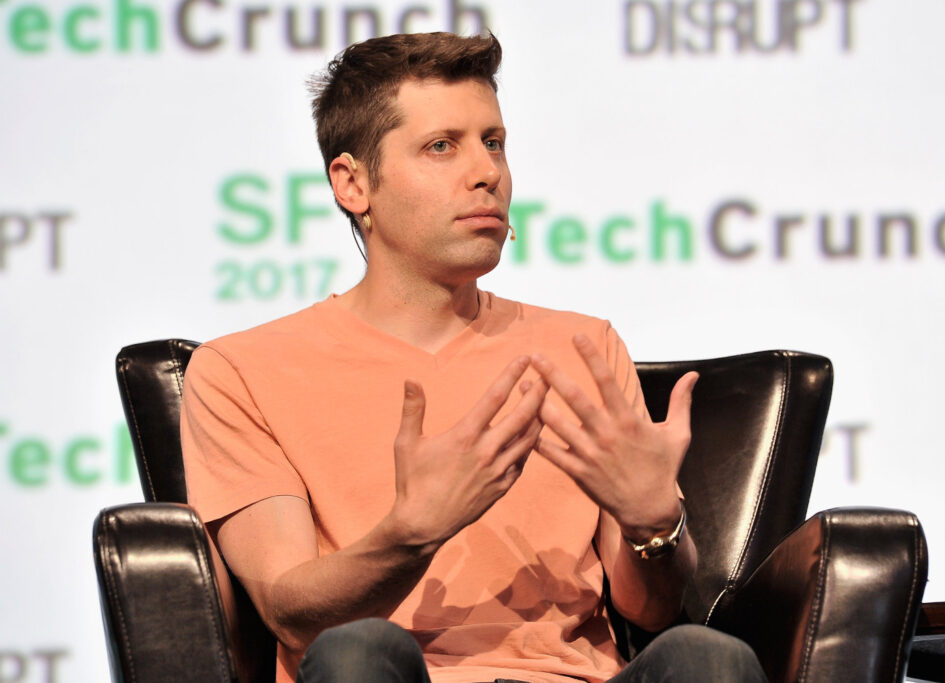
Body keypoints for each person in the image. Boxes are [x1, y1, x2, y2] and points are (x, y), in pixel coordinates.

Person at [181, 32, 766, 683]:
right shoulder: (243, 371)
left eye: (493, 142)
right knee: (358, 652)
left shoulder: (584, 347)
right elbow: (290, 612)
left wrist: (655, 526)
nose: (487, 171)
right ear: (352, 183)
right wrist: (411, 532)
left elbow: (651, 609)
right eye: (441, 146)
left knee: (711, 658)